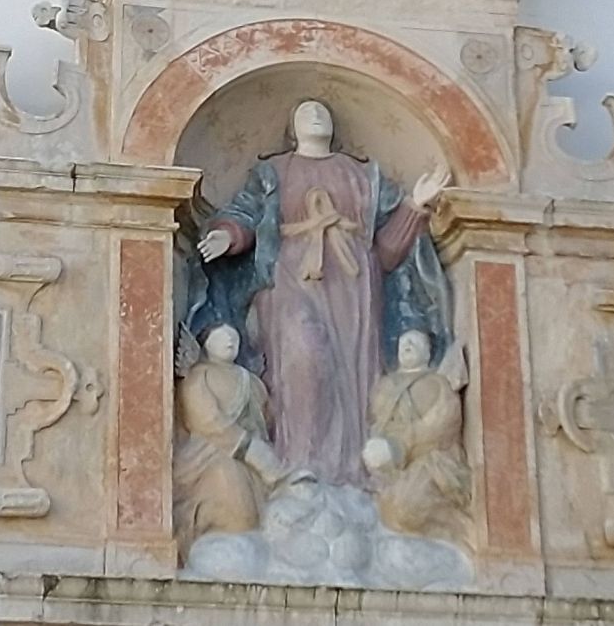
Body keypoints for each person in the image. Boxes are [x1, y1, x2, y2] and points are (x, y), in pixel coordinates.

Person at [193, 99, 451, 487]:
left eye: (321, 110)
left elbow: (387, 251)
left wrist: (416, 205)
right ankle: (298, 459)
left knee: (350, 371)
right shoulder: (272, 171)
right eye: (305, 111)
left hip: (354, 284)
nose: (315, 115)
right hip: (289, 279)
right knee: (304, 351)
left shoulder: (365, 175)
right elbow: (246, 212)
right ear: (292, 129)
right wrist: (227, 235)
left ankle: (350, 471)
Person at [173, 323, 285, 561]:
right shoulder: (199, 377)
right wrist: (248, 449)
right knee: (230, 484)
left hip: (254, 456)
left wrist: (261, 451)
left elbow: (265, 417)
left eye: (233, 336)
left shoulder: (251, 381)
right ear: (206, 343)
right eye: (221, 336)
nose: (230, 341)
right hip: (208, 455)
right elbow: (205, 420)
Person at [362, 329, 473, 554]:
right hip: (388, 465)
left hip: (431, 460)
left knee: (407, 506)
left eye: (415, 341)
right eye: (404, 341)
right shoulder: (384, 386)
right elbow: (376, 422)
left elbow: (442, 424)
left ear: (428, 352)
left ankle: (466, 534)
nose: (408, 344)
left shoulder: (438, 384)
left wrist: (399, 446)